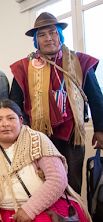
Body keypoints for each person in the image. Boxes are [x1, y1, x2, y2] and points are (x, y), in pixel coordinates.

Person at [10, 12, 103, 194]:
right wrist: (16, 133)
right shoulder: (24, 66)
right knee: (42, 183)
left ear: (60, 36)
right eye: (42, 35)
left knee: (73, 183)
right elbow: (15, 103)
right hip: (38, 136)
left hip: (71, 135)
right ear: (36, 41)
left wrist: (100, 129)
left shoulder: (80, 61)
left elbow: (95, 97)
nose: (48, 38)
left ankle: (74, 218)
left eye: (52, 32)